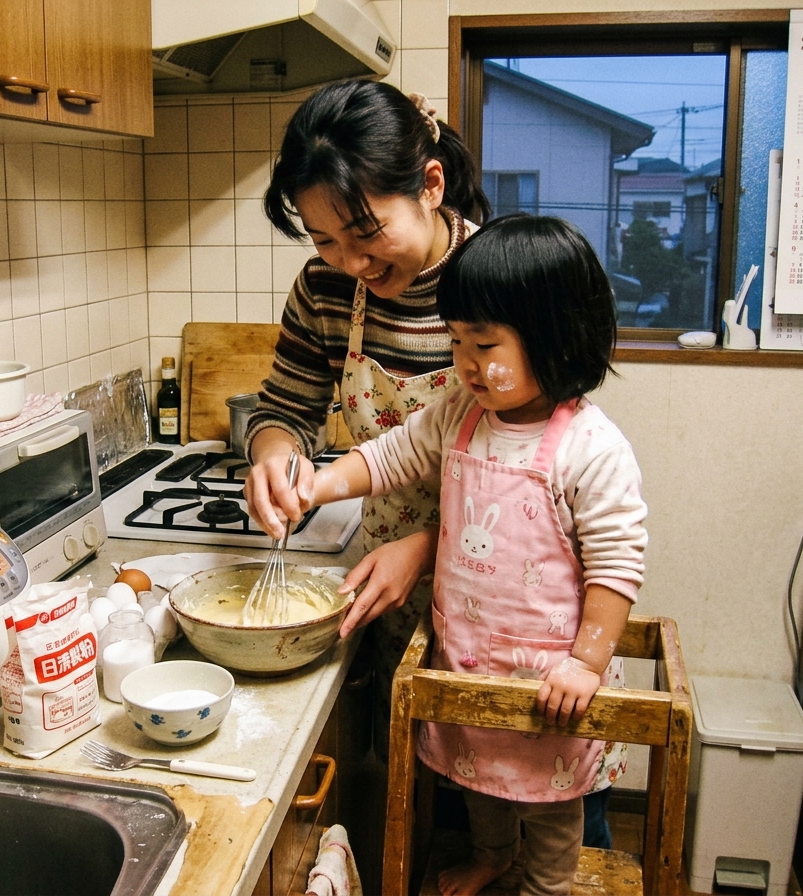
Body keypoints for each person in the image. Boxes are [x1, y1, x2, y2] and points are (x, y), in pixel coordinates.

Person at [253, 214, 648, 896]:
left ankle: (541, 885)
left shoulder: (591, 447)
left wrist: (585, 664)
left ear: (556, 339)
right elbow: (389, 455)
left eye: (484, 343)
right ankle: (493, 856)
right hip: (468, 665)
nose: (464, 361)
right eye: (457, 340)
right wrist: (317, 484)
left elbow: (617, 567)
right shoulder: (461, 414)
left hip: (550, 685)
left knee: (553, 820)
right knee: (479, 791)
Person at [242, 78, 490, 764]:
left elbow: (548, 469)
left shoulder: (501, 277)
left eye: (366, 232)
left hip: (507, 586)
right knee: (413, 780)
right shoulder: (324, 289)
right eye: (323, 238)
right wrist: (275, 456)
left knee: (526, 788)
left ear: (431, 185)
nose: (351, 263)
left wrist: (431, 548)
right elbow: (285, 409)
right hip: (387, 588)